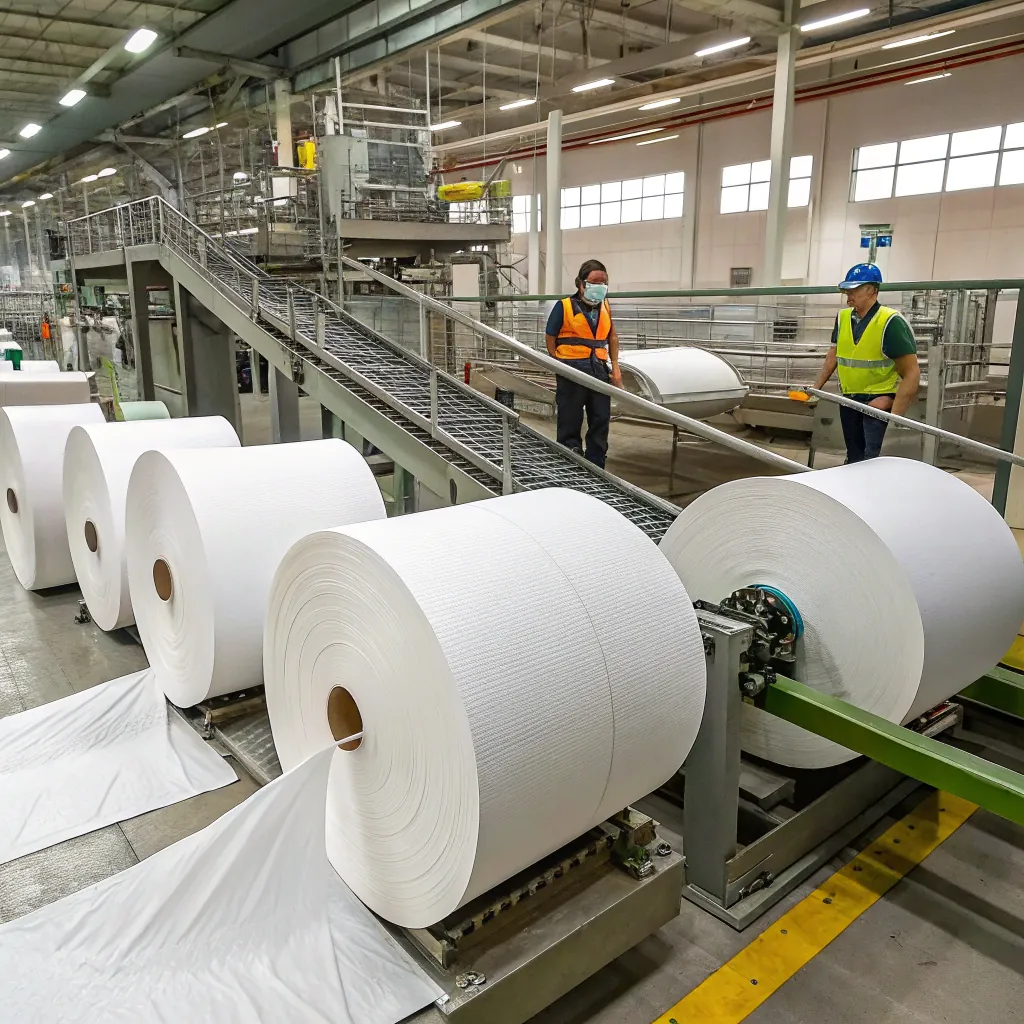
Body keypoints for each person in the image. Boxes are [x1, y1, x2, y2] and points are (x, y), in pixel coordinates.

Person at [808, 262, 921, 463]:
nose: (848, 295)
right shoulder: (843, 318)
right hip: (849, 400)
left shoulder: (890, 321)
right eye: (847, 290)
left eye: (854, 290)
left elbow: (911, 373)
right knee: (854, 459)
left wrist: (894, 413)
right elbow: (833, 355)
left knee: (874, 461)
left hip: (877, 404)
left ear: (871, 290)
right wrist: (815, 390)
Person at [544, 259, 622, 469]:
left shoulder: (605, 306)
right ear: (581, 284)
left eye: (604, 282)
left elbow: (612, 337)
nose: (600, 287)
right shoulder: (565, 306)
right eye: (595, 282)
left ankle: (596, 465)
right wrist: (557, 361)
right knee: (570, 419)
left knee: (600, 419)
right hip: (571, 371)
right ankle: (569, 464)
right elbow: (550, 336)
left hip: (598, 369)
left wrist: (615, 368)